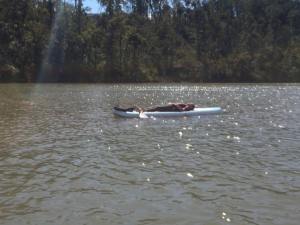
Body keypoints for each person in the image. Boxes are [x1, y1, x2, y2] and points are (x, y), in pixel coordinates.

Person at [114, 103, 195, 112]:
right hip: (169, 107)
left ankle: (132, 109)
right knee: (155, 107)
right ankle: (131, 108)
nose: (189, 104)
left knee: (157, 108)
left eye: (190, 105)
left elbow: (181, 111)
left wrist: (175, 105)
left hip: (169, 109)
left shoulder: (187, 108)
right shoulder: (186, 104)